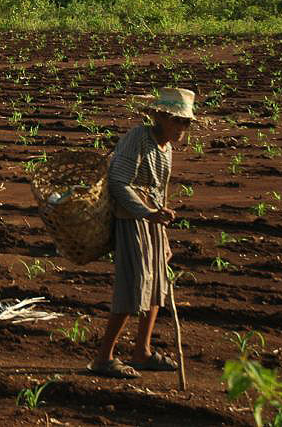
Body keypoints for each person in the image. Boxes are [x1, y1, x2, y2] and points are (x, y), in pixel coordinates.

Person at [88, 87, 197, 379]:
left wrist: (163, 236)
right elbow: (119, 182)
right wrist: (146, 213)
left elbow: (159, 193)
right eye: (178, 121)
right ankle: (104, 357)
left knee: (157, 286)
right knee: (132, 286)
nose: (183, 128)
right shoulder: (138, 138)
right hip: (131, 220)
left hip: (153, 222)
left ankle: (142, 351)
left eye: (186, 122)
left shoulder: (167, 149)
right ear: (160, 117)